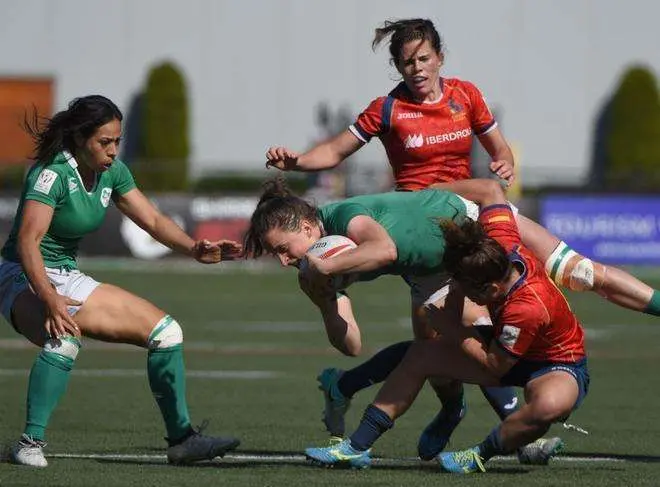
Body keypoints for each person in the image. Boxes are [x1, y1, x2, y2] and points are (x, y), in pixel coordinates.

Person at [264, 17, 660, 318]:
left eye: (423, 59)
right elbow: (334, 151)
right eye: (406, 63)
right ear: (398, 68)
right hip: (422, 224)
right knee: (460, 337)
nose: (416, 69)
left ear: (439, 58)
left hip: (471, 205)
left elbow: (499, 148)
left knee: (579, 272)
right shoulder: (387, 108)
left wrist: (504, 161)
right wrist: (298, 161)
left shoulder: (465, 96)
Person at [243, 177, 560, 464]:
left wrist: (325, 269)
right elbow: (351, 343)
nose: (284, 261)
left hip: (462, 227)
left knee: (493, 334)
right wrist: (325, 303)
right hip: (427, 268)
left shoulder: (342, 217)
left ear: (309, 228)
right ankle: (452, 413)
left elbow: (386, 250)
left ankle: (523, 434)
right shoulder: (316, 262)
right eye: (276, 254)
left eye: (283, 249)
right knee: (436, 348)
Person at [0, 95, 242, 468]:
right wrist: (49, 298)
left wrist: (194, 248)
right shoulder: (51, 173)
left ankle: (182, 441)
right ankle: (29, 444)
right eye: (104, 142)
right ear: (80, 139)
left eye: (117, 140)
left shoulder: (112, 171)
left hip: (65, 275)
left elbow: (155, 222)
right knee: (64, 339)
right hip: (19, 274)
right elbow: (28, 243)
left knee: (166, 333)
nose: (113, 150)